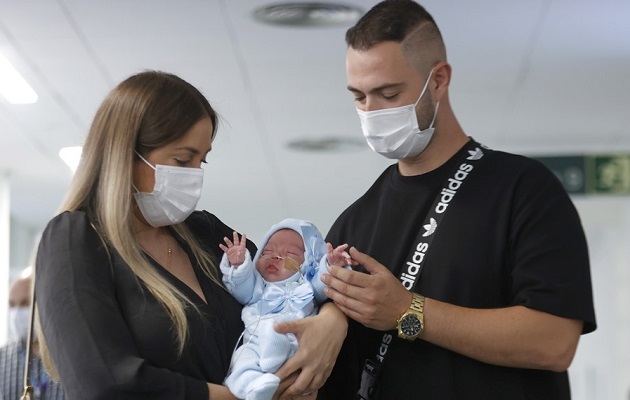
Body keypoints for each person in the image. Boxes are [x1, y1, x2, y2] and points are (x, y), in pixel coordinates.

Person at [318, 1, 597, 399]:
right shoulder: (354, 223)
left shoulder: (523, 189)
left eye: (388, 93)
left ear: (438, 80)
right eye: (359, 97)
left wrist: (407, 312)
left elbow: (554, 343)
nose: (371, 112)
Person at [33, 70, 347, 400]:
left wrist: (332, 321)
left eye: (202, 161)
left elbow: (287, 286)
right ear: (124, 154)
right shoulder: (75, 241)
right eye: (182, 160)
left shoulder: (205, 234)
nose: (194, 176)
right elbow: (102, 383)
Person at [219, 219, 354, 400]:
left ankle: (273, 362)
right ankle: (253, 387)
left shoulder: (305, 287)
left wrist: (331, 265)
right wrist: (239, 265)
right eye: (267, 252)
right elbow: (240, 289)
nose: (275, 257)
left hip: (298, 348)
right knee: (242, 361)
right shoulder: (258, 286)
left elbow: (323, 284)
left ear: (307, 264)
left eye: (289, 254)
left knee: (297, 370)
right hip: (256, 342)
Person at [1, 268, 65, 400]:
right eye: (12, 305)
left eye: (25, 303)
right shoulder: (2, 359)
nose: (17, 313)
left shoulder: (65, 357)